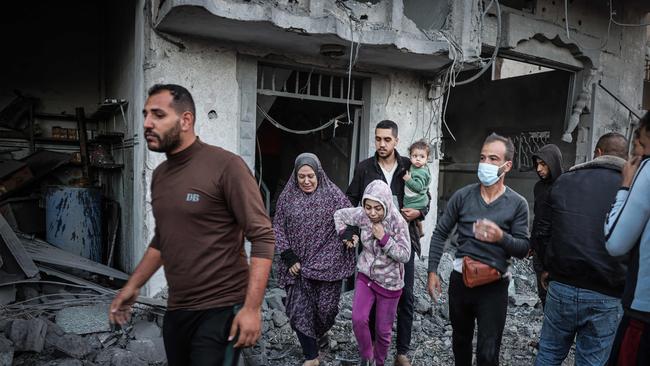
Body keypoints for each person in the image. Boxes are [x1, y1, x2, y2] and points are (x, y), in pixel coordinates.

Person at [108, 84, 275, 366]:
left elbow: (262, 236)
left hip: (221, 310)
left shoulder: (226, 166)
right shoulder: (160, 175)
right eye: (146, 114)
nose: (147, 123)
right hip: (177, 310)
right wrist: (133, 286)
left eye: (158, 115)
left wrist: (251, 308)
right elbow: (163, 239)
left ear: (185, 120)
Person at [427, 133, 530, 366]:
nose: (485, 164)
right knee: (460, 342)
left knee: (488, 351)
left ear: (507, 165)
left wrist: (500, 237)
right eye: (483, 157)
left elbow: (523, 248)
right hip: (460, 280)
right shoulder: (462, 196)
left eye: (493, 159)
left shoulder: (517, 204)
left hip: (494, 286)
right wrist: (432, 270)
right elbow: (440, 232)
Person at [533, 133, 629, 366]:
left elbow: (543, 230)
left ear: (597, 152)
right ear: (626, 157)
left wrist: (545, 268)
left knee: (548, 354)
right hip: (607, 292)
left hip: (561, 284)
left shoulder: (565, 180)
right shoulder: (631, 188)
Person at [346, 120, 428, 366]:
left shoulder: (409, 164)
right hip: (373, 245)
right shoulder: (364, 168)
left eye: (387, 140)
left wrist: (420, 212)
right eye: (378, 139)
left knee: (406, 296)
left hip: (404, 243)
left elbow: (425, 196)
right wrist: (351, 232)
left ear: (396, 141)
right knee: (370, 297)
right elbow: (351, 199)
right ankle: (371, 348)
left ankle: (401, 351)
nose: (382, 144)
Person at [273, 153, 356, 366]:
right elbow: (278, 227)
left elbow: (351, 216)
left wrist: (349, 234)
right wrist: (289, 257)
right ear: (295, 176)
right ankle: (311, 356)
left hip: (328, 264)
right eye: (301, 176)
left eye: (310, 176)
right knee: (298, 310)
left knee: (326, 310)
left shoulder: (332, 194)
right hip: (297, 266)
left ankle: (319, 334)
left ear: (318, 174)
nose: (306, 181)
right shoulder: (287, 197)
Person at [334, 180, 411, 366]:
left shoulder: (397, 221)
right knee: (358, 319)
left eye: (378, 208)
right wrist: (345, 234)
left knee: (383, 331)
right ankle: (367, 356)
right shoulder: (363, 215)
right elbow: (339, 215)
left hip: (390, 283)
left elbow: (405, 255)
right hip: (366, 275)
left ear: (386, 205)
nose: (372, 213)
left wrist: (384, 239)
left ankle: (379, 362)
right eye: (368, 207)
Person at [605, 112, 650, 366]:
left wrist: (624, 187)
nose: (638, 155)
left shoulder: (646, 170)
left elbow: (615, 242)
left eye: (642, 144)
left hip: (643, 313)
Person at [529, 144, 563, 307]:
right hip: (539, 252)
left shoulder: (564, 186)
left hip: (556, 252)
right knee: (544, 296)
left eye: (543, 164)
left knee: (556, 298)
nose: (539, 169)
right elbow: (538, 218)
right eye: (537, 164)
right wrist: (532, 242)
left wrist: (552, 261)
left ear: (554, 163)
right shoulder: (538, 187)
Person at [403, 140, 431, 238]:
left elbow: (419, 188)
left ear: (427, 159)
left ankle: (416, 231)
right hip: (416, 199)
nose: (418, 159)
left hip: (417, 200)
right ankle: (420, 230)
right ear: (410, 156)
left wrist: (409, 180)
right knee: (414, 220)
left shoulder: (421, 172)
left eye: (422, 157)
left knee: (405, 215)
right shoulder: (415, 167)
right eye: (415, 156)